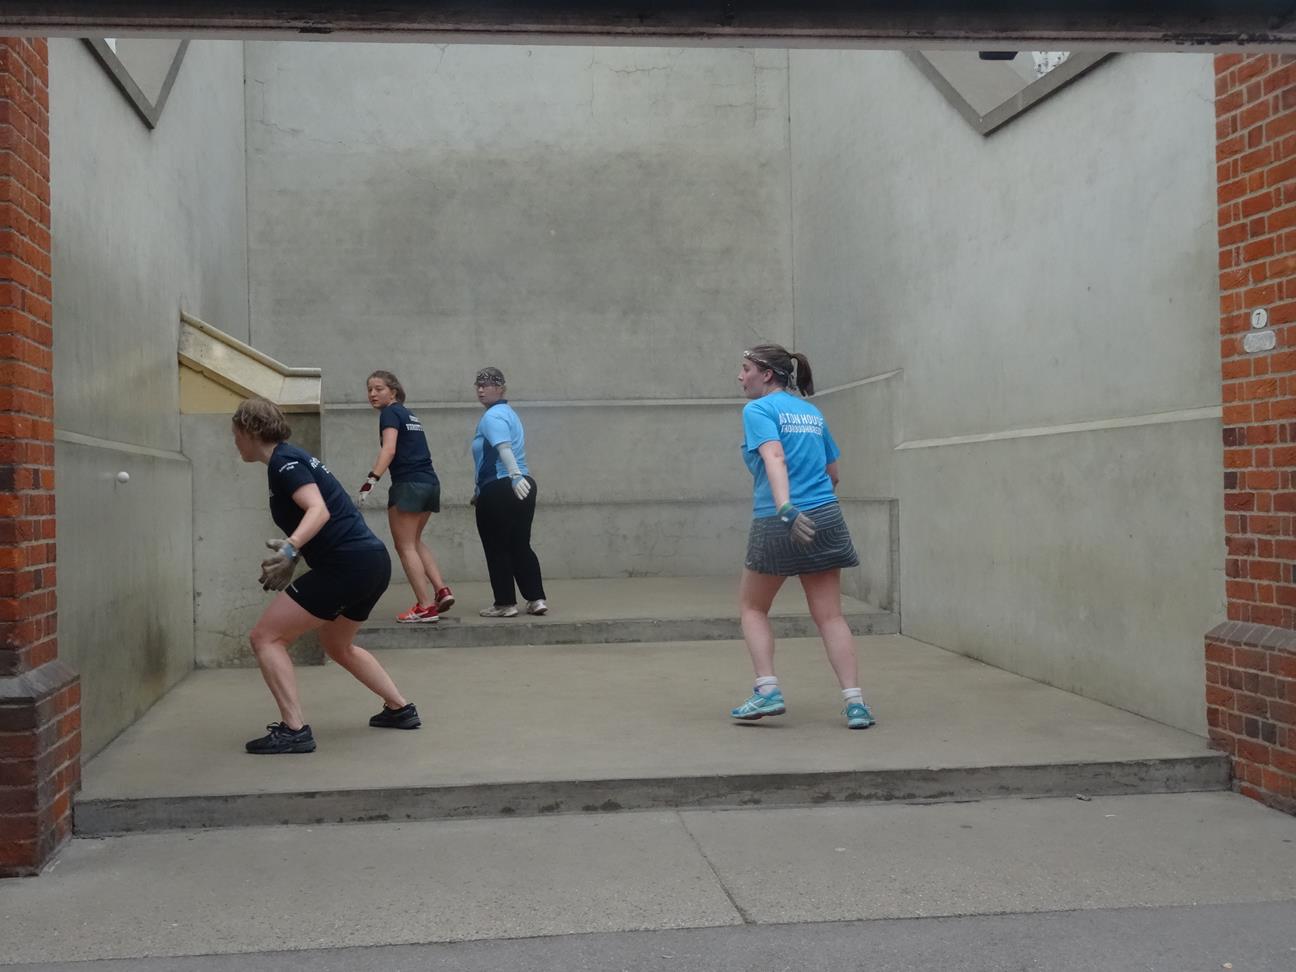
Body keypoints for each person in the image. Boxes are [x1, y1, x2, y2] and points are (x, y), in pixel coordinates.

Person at [232, 396, 421, 754]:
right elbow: (326, 516)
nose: (235, 441)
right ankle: (400, 709)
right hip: (370, 562)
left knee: (265, 638)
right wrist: (296, 554)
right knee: (338, 644)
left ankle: (294, 730)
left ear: (249, 430)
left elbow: (318, 510)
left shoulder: (284, 462)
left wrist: (290, 548)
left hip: (347, 566)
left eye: (235, 433)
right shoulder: (293, 457)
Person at [729, 344, 876, 730]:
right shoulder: (811, 412)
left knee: (752, 608)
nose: (740, 377)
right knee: (830, 616)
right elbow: (834, 474)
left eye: (745, 369)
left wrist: (786, 508)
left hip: (778, 518)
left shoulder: (758, 410)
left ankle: (767, 691)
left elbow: (774, 457)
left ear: (767, 374)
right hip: (827, 515)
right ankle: (856, 704)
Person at [358, 370, 455, 623]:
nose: (372, 394)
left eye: (378, 388)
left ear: (394, 391)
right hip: (430, 483)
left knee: (405, 546)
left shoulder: (391, 413)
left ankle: (424, 606)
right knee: (416, 541)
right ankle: (441, 590)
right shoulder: (409, 414)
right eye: (369, 389)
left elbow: (389, 449)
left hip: (409, 485)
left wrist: (371, 480)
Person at [470, 366, 548, 617]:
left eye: (488, 384)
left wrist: (513, 476)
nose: (482, 389)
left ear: (501, 388)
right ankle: (536, 599)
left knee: (497, 547)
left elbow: (503, 449)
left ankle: (505, 603)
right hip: (521, 485)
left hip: (503, 486)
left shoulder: (492, 417)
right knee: (520, 544)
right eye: (478, 384)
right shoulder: (509, 413)